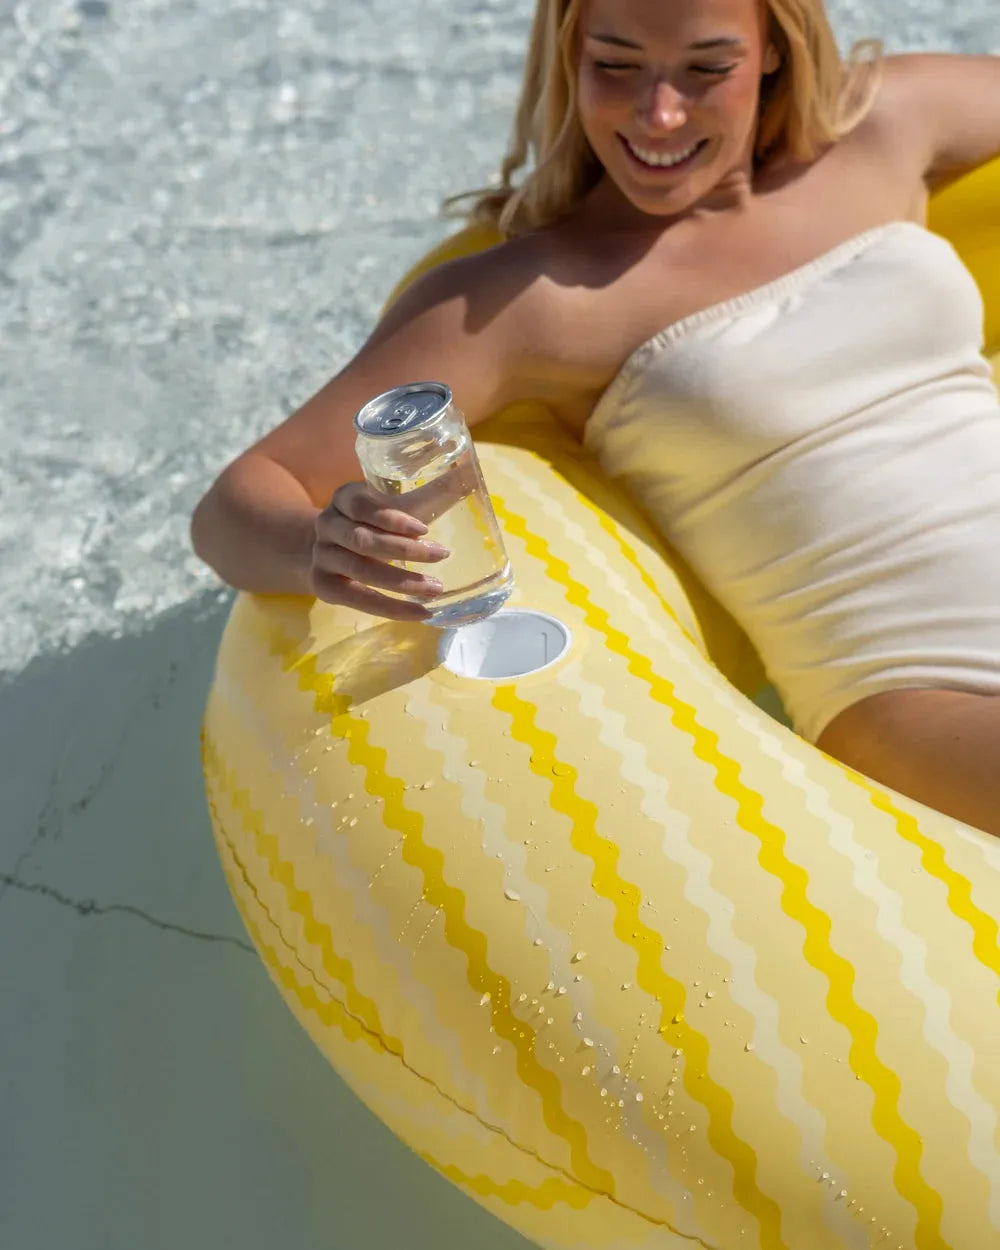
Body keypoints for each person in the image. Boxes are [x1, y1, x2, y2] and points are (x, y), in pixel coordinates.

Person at [191, 0, 1000, 835]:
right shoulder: (532, 297)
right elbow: (232, 506)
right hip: (920, 684)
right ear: (569, 56)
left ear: (772, 52)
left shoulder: (890, 126)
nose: (659, 115)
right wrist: (320, 546)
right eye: (616, 64)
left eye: (706, 68)